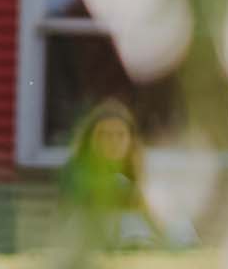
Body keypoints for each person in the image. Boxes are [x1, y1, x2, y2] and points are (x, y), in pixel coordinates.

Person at [58, 100, 163, 249]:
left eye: (120, 135)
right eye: (104, 135)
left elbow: (149, 211)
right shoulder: (75, 167)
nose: (113, 141)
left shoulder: (136, 168)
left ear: (130, 140)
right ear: (90, 140)